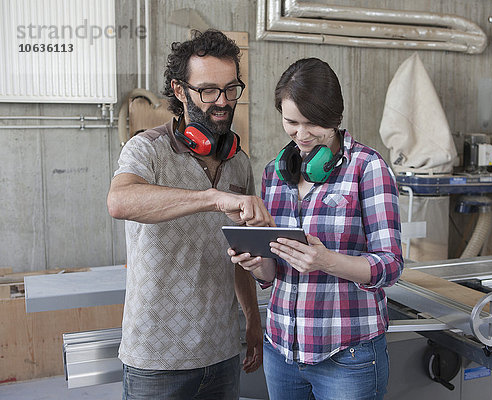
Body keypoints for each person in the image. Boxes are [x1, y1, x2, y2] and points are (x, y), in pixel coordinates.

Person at [107, 29, 274, 400]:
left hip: (222, 350)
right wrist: (211, 198)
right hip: (156, 358)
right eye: (209, 90)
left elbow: (240, 255)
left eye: (231, 89)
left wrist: (252, 319)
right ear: (179, 91)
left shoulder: (238, 162)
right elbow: (120, 201)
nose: (223, 101)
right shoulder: (146, 150)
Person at [229, 57, 404, 400]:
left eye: (313, 124)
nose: (302, 135)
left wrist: (327, 261)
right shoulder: (274, 174)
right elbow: (273, 272)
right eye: (291, 122)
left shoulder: (367, 168)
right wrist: (258, 264)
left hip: (347, 355)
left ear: (335, 118)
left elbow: (391, 265)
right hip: (281, 351)